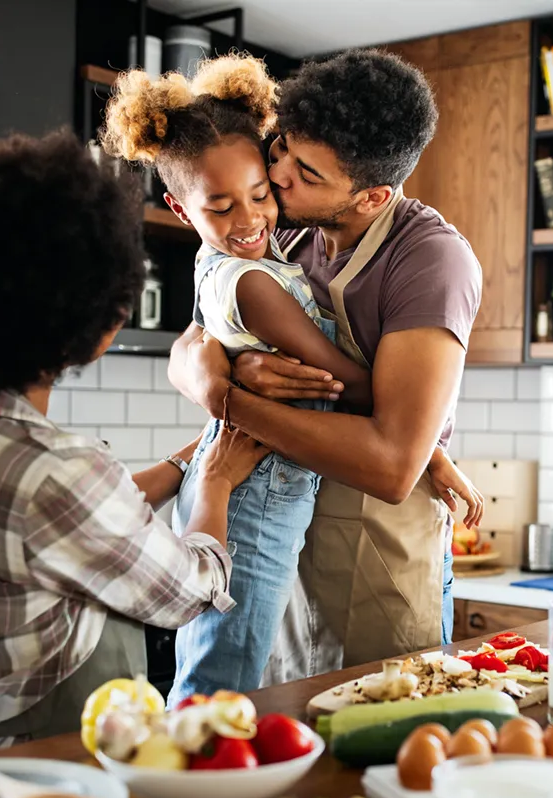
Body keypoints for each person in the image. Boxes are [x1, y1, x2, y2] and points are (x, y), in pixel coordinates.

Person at [168, 49, 484, 684]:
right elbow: (198, 339)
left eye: (305, 171)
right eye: (282, 147)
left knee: (383, 736)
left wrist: (228, 399)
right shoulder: (284, 229)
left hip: (381, 546)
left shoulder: (431, 262)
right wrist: (202, 371)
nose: (277, 175)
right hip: (288, 526)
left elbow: (393, 466)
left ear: (370, 196)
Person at [0, 129, 267, 754]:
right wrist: (214, 484)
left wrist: (186, 461)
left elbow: (63, 525)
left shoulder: (17, 457)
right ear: (102, 325)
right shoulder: (57, 471)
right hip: (58, 764)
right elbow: (186, 590)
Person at [102, 56, 377, 704]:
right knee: (218, 685)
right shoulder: (254, 281)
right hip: (252, 495)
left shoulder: (234, 260)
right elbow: (351, 386)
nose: (251, 219)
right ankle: (185, 796)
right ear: (178, 206)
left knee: (233, 674)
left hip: (243, 474)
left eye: (261, 195)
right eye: (221, 206)